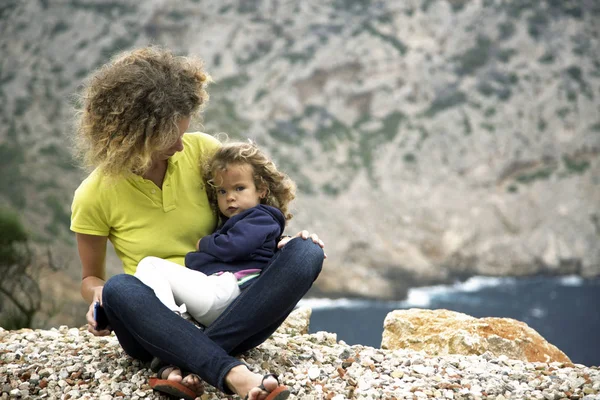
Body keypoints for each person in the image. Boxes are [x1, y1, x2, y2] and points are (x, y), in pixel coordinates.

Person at [70, 46, 325, 400]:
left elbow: (244, 211)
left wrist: (277, 243)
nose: (179, 145)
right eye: (169, 138)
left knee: (306, 252)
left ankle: (177, 364)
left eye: (183, 132)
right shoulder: (92, 196)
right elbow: (90, 278)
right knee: (118, 288)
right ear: (134, 136)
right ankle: (234, 373)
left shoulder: (202, 151)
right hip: (152, 324)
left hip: (230, 307)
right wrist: (99, 299)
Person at [133, 140, 295, 328]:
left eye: (239, 188)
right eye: (222, 191)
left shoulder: (261, 218)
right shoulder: (244, 222)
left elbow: (234, 246)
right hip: (222, 296)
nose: (230, 197)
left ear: (261, 190)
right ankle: (173, 323)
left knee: (149, 265)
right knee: (147, 281)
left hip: (229, 292)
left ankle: (171, 324)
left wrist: (205, 244)